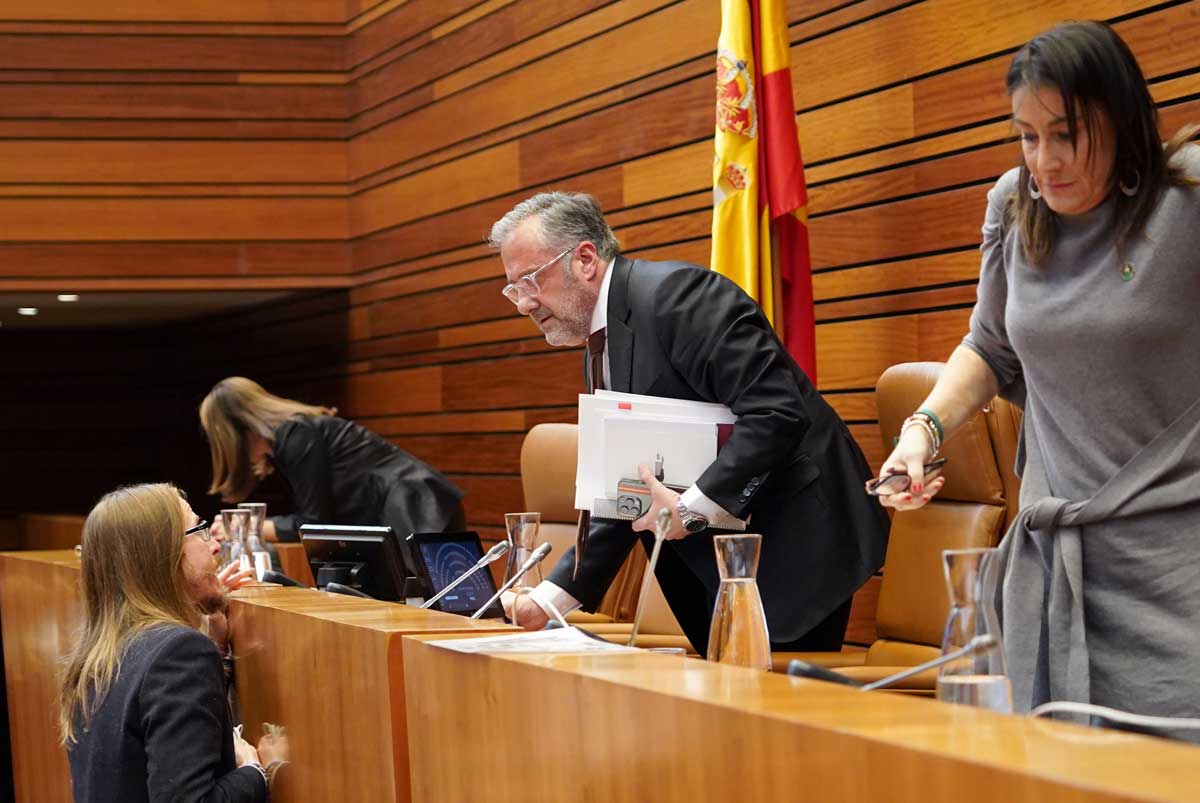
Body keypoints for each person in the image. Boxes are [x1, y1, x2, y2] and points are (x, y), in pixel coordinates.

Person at [872, 20, 1200, 734]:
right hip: (1054, 568)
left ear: (1120, 116)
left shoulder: (1188, 202)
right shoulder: (1013, 206)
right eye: (1027, 135)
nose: (1045, 161)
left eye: (1066, 133)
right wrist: (921, 432)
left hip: (1180, 567)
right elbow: (990, 347)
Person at [488, 191, 890, 655]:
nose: (523, 303)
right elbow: (625, 496)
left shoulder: (680, 298)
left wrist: (691, 506)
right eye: (513, 288)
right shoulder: (602, 345)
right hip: (716, 561)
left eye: (531, 280)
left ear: (584, 259)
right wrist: (547, 601)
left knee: (774, 716)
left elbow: (776, 412)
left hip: (794, 541)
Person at [58, 483, 284, 802]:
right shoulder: (179, 652)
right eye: (201, 529)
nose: (216, 546)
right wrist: (257, 770)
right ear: (164, 554)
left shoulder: (100, 653)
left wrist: (215, 648)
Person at [200, 377, 465, 545]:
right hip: (411, 511)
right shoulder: (286, 442)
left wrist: (248, 527)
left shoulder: (295, 434)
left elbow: (314, 524)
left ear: (235, 430)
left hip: (417, 510)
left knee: (458, 609)